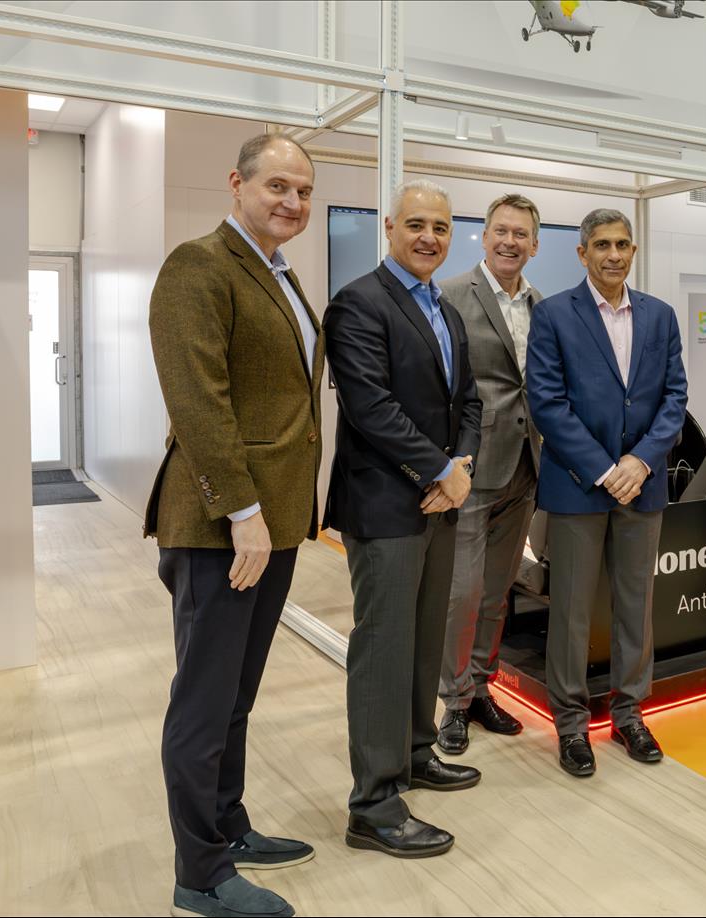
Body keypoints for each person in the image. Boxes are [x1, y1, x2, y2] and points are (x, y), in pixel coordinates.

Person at [146, 133, 321, 918]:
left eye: (303, 191)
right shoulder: (199, 265)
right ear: (237, 183)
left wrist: (271, 518)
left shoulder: (277, 273)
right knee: (203, 703)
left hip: (271, 521)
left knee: (236, 696)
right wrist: (242, 512)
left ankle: (228, 825)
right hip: (222, 523)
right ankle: (200, 874)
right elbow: (197, 401)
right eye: (277, 185)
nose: (292, 201)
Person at [323, 180, 483, 859]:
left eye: (440, 227)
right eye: (416, 224)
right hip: (387, 504)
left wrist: (461, 466)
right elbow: (370, 407)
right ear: (389, 227)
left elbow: (467, 401)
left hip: (439, 500)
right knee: (384, 649)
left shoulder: (443, 309)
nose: (429, 237)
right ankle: (374, 803)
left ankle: (416, 753)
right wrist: (441, 471)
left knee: (422, 638)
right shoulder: (358, 302)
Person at [526, 208, 688, 777]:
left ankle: (629, 713)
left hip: (642, 485)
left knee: (635, 607)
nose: (613, 255)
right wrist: (603, 469)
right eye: (601, 245)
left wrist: (640, 461)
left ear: (633, 251)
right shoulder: (552, 314)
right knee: (571, 611)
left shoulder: (660, 315)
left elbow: (674, 398)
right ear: (582, 253)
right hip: (578, 488)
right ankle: (571, 723)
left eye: (622, 244)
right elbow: (547, 403)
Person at [435, 193, 544, 754]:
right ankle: (453, 702)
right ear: (485, 235)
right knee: (463, 592)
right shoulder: (451, 295)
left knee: (499, 591)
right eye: (502, 231)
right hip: (471, 466)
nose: (510, 242)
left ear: (535, 244)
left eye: (521, 234)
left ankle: (481, 688)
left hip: (527, 464)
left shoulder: (542, 304)